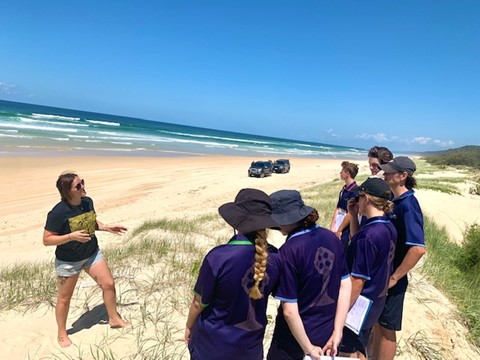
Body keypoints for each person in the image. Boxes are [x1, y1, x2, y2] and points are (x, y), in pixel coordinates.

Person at [185, 188, 281, 360]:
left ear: (236, 221)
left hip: (212, 345)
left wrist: (189, 326)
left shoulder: (219, 257)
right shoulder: (276, 257)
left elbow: (199, 303)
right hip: (250, 347)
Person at [43, 172, 129, 348]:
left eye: (82, 182)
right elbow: (47, 239)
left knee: (109, 284)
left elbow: (90, 222)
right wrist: (70, 236)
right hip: (68, 261)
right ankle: (62, 333)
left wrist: (105, 227)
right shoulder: (58, 213)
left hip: (91, 253)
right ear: (67, 192)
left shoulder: (87, 202)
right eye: (78, 186)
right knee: (65, 298)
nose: (83, 187)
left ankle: (113, 318)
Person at [267, 190, 352, 360]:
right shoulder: (331, 238)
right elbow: (345, 284)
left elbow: (290, 311)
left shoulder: (288, 251)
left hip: (295, 339)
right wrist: (338, 330)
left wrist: (309, 349)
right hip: (328, 331)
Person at [371, 156, 426, 360]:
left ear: (403, 176)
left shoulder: (408, 205)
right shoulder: (394, 200)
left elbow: (418, 249)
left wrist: (394, 278)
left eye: (389, 171)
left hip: (392, 280)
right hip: (383, 275)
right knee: (378, 323)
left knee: (387, 329)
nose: (384, 173)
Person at [337, 177, 397, 360]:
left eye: (359, 197)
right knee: (358, 345)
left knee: (346, 351)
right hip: (376, 301)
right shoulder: (388, 226)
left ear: (367, 199)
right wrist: (354, 216)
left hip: (358, 305)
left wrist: (340, 312)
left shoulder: (369, 235)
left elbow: (357, 280)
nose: (357, 201)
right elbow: (358, 242)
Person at [330, 161, 359, 248]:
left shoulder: (355, 191)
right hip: (338, 222)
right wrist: (332, 225)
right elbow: (338, 208)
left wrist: (340, 229)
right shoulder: (344, 189)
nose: (340, 173)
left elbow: (351, 213)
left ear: (347, 174)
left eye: (342, 171)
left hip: (346, 228)